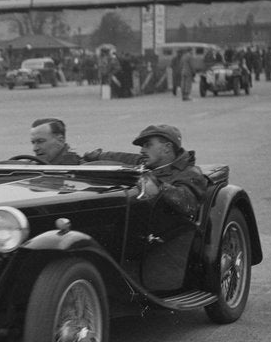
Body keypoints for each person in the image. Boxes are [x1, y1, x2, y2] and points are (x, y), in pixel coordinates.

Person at [85, 124, 207, 292]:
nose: (142, 150)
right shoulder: (150, 164)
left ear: (167, 148)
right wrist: (97, 156)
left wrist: (159, 187)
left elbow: (187, 204)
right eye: (142, 146)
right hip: (141, 234)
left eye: (148, 145)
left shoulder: (191, 173)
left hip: (166, 242)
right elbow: (123, 157)